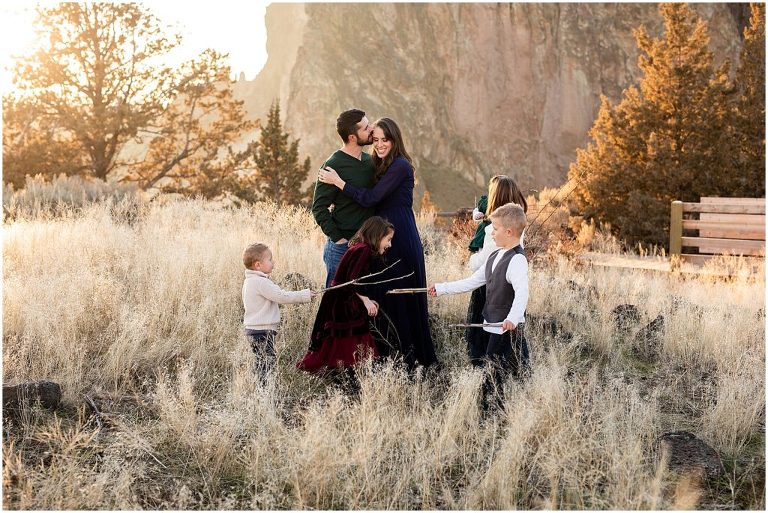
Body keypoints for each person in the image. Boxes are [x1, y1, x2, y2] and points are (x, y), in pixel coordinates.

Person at [318, 117, 438, 369]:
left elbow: (371, 197)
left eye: (386, 139)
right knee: (382, 294)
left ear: (395, 140)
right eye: (376, 139)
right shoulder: (380, 164)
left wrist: (339, 183)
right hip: (382, 236)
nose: (380, 144)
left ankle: (410, 358)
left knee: (399, 294)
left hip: (400, 235)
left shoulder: (401, 166)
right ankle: (385, 355)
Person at [428, 203, 530, 411]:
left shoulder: (517, 260)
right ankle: (495, 409)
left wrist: (513, 317)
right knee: (501, 371)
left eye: (495, 228)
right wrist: (441, 289)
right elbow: (471, 282)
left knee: (497, 373)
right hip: (490, 326)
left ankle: (491, 414)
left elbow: (522, 292)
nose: (491, 232)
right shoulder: (494, 256)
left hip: (506, 328)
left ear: (509, 232)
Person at [297, 216, 394, 379]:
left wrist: (365, 299)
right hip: (342, 300)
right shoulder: (363, 250)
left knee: (345, 337)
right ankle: (345, 372)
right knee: (349, 335)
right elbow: (353, 279)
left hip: (342, 298)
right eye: (388, 239)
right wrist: (366, 300)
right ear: (377, 235)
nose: (390, 244)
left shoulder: (360, 247)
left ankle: (344, 372)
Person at [464, 175, 528, 367]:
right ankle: (509, 366)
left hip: (491, 287)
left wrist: (472, 259)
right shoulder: (515, 223)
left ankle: (489, 366)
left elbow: (483, 264)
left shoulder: (495, 231)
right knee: (507, 332)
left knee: (487, 331)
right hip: (505, 287)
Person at [311, 109, 376, 287]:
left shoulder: (370, 162)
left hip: (369, 246)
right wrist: (339, 240)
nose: (372, 129)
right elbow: (318, 208)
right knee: (336, 302)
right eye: (366, 128)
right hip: (342, 248)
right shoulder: (333, 165)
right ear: (352, 137)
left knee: (364, 302)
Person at [242, 243, 315, 382]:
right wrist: (305, 295)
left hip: (254, 330)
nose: (273, 262)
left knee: (261, 361)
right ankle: (265, 391)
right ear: (258, 265)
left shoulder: (250, 281)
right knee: (267, 363)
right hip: (262, 331)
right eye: (269, 259)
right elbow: (282, 297)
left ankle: (260, 388)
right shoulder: (261, 283)